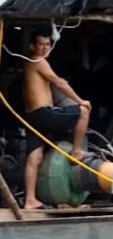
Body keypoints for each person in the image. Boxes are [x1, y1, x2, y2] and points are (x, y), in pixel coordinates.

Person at [19, 30, 90, 210]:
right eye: (40, 44)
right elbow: (59, 83)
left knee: (34, 157)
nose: (44, 48)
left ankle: (30, 200)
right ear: (32, 47)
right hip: (43, 114)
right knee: (83, 111)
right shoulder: (38, 61)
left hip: (32, 116)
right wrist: (80, 100)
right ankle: (76, 151)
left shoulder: (29, 63)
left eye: (47, 45)